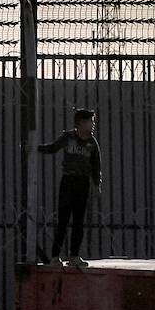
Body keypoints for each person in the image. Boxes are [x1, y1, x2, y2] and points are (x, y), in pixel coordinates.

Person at [32, 108, 103, 267]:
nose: (92, 125)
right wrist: (36, 147)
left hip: (82, 183)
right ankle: (55, 256)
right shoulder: (68, 138)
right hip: (68, 181)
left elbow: (96, 164)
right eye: (90, 121)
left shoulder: (92, 142)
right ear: (81, 122)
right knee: (63, 220)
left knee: (78, 221)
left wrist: (97, 183)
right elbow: (52, 148)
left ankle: (74, 256)